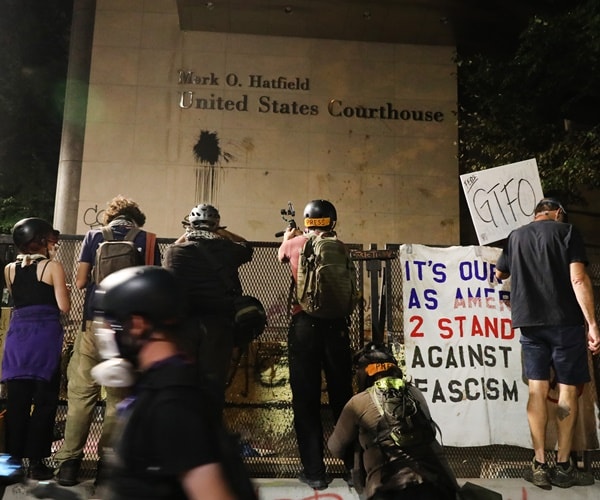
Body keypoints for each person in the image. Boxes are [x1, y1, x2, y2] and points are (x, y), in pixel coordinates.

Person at [91, 266, 254, 500]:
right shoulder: (159, 388)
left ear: (137, 325)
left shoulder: (173, 403)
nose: (107, 334)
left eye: (112, 324)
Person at [54, 195, 161, 486]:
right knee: (119, 399)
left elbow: (79, 282)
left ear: (110, 217)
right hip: (129, 330)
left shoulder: (93, 236)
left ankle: (69, 466)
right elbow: (154, 287)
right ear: (137, 218)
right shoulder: (149, 240)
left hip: (94, 325)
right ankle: (107, 468)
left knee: (81, 396)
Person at [495, 197, 600, 489]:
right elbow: (578, 280)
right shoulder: (567, 233)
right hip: (565, 323)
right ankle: (564, 466)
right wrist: (592, 323)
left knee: (537, 390)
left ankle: (539, 464)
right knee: (568, 390)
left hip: (530, 324)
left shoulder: (515, 236)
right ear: (556, 213)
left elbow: (499, 272)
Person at [277, 199, 354, 490]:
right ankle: (352, 467)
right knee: (343, 398)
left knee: (305, 400)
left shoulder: (295, 243)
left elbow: (283, 257)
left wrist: (289, 236)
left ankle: (314, 472)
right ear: (332, 221)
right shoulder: (341, 246)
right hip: (337, 327)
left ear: (308, 222)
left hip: (304, 326)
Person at [328, 343, 460, 500]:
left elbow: (335, 447)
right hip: (436, 483)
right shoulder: (415, 393)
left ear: (363, 374)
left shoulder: (357, 402)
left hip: (388, 490)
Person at [162, 203, 253, 413]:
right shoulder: (227, 250)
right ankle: (209, 435)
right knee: (213, 385)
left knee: (185, 383)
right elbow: (247, 247)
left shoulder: (176, 252)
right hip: (219, 327)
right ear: (216, 225)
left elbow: (166, 258)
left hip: (184, 327)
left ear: (191, 225)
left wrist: (187, 234)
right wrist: (222, 232)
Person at [1, 218, 70, 480]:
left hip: (18, 337)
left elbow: (19, 299)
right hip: (44, 338)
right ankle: (37, 462)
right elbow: (63, 306)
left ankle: (13, 461)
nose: (53, 242)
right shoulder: (52, 267)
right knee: (44, 402)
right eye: (49, 238)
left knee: (17, 401)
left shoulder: (9, 268)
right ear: (40, 240)